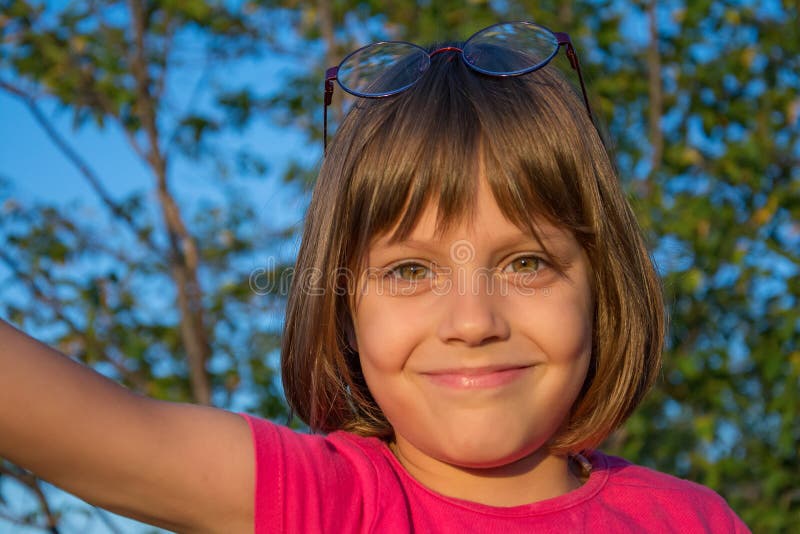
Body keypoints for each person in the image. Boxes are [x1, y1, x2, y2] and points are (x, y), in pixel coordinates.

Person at [0, 21, 749, 533]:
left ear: (603, 290)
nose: (472, 320)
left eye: (526, 263)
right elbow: (82, 422)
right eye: (411, 270)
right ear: (346, 312)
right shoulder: (328, 504)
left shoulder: (695, 520)